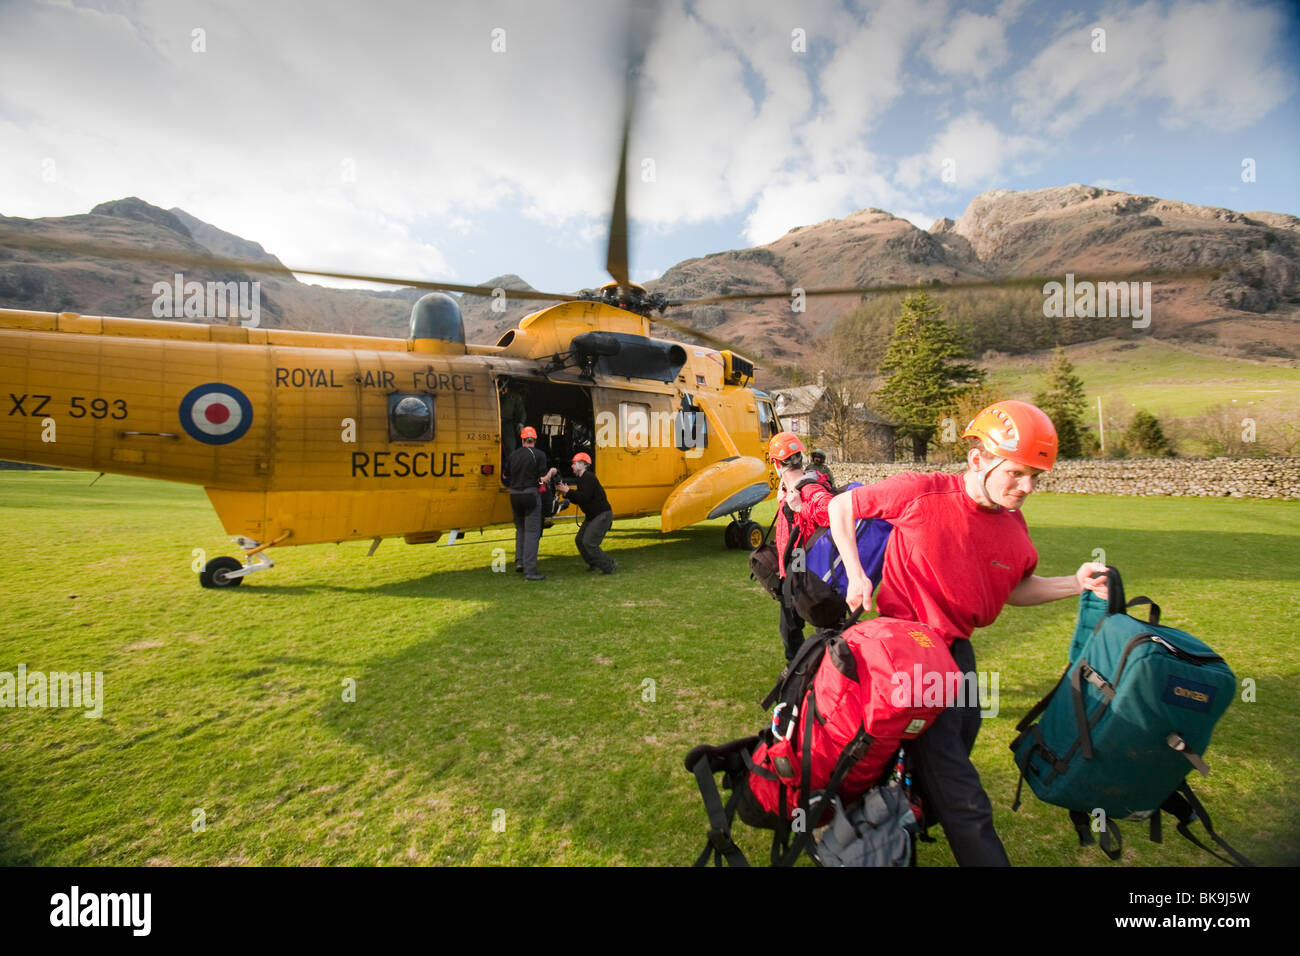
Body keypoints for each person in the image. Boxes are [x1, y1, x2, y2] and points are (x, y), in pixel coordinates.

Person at [826, 400, 1108, 866]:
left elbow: (1015, 587)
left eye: (1036, 477)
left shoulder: (1013, 527)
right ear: (978, 461)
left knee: (956, 745)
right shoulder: (922, 491)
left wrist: (1075, 584)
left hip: (957, 654)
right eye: (1017, 473)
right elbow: (842, 505)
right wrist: (857, 575)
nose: (1027, 488)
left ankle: (890, 819)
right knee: (957, 781)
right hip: (906, 653)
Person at [768, 431, 835, 663]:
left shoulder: (809, 489)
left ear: (775, 462)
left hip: (812, 573)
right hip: (795, 570)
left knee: (826, 632)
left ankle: (823, 675)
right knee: (790, 629)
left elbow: (831, 512)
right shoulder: (789, 489)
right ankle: (798, 674)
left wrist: (800, 508)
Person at [505, 425, 556, 581]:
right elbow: (542, 479)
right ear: (534, 439)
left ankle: (520, 562)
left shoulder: (513, 455)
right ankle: (531, 571)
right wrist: (552, 473)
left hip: (514, 495)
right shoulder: (539, 454)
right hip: (530, 495)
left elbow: (505, 475)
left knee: (520, 529)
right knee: (532, 532)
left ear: (522, 440)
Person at [557, 452, 617, 574]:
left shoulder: (589, 477)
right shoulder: (582, 479)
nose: (572, 466)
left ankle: (609, 565)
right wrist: (566, 493)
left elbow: (585, 498)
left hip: (602, 515)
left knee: (589, 542)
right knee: (579, 540)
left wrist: (568, 491)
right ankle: (594, 563)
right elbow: (580, 498)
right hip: (593, 516)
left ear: (582, 464)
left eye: (574, 463)